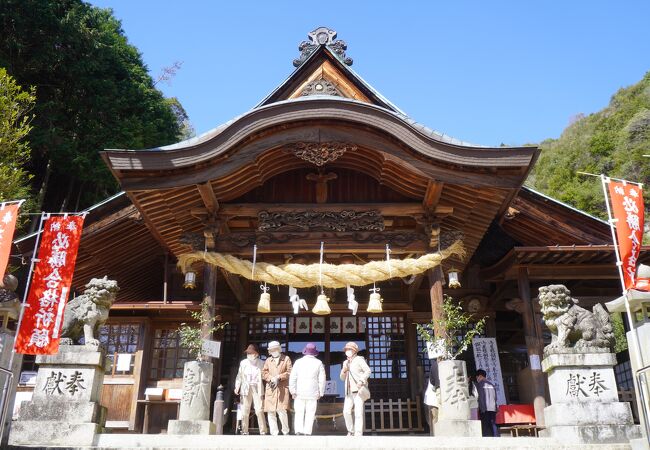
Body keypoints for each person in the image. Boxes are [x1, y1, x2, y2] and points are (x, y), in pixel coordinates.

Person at [289, 342, 325, 435]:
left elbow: (293, 377)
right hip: (313, 392)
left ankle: (298, 431)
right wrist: (321, 392)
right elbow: (322, 379)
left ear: (305, 351)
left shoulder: (298, 362)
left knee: (299, 412)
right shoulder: (319, 363)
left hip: (299, 392)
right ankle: (307, 432)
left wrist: (292, 390)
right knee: (310, 413)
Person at [234, 344, 268, 435]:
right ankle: (244, 430)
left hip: (257, 387)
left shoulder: (262, 363)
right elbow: (239, 376)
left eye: (251, 353)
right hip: (246, 387)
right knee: (245, 410)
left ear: (256, 354)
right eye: (248, 353)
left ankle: (263, 431)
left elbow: (266, 376)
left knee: (259, 410)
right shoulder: (243, 362)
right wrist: (237, 386)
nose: (249, 355)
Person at [339, 342, 371, 436]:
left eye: (349, 349)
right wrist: (344, 371)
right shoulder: (345, 362)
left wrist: (361, 380)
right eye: (346, 350)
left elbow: (368, 371)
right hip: (348, 391)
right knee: (346, 412)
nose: (347, 351)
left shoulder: (359, 360)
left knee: (358, 412)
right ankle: (351, 430)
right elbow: (342, 378)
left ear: (354, 351)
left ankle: (358, 433)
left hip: (358, 390)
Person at [262, 340, 292, 435]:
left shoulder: (286, 359)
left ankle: (285, 431)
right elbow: (264, 373)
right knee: (271, 412)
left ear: (279, 349)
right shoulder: (268, 360)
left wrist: (279, 377)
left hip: (282, 388)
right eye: (271, 350)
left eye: (275, 349)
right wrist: (271, 378)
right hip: (271, 388)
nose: (273, 351)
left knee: (282, 411)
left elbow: (290, 372)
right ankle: (274, 432)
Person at [473, 369, 498, 437]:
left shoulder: (479, 385)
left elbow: (478, 398)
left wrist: (479, 408)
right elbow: (495, 398)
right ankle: (496, 439)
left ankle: (486, 441)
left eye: (477, 377)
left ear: (480, 376)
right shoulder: (492, 385)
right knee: (493, 425)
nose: (477, 379)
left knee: (485, 426)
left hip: (484, 409)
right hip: (493, 409)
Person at [423, 359, 440, 435]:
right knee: (435, 417)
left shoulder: (436, 365)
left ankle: (434, 434)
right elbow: (435, 382)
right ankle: (434, 435)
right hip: (434, 396)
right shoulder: (436, 366)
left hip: (433, 397)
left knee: (434, 417)